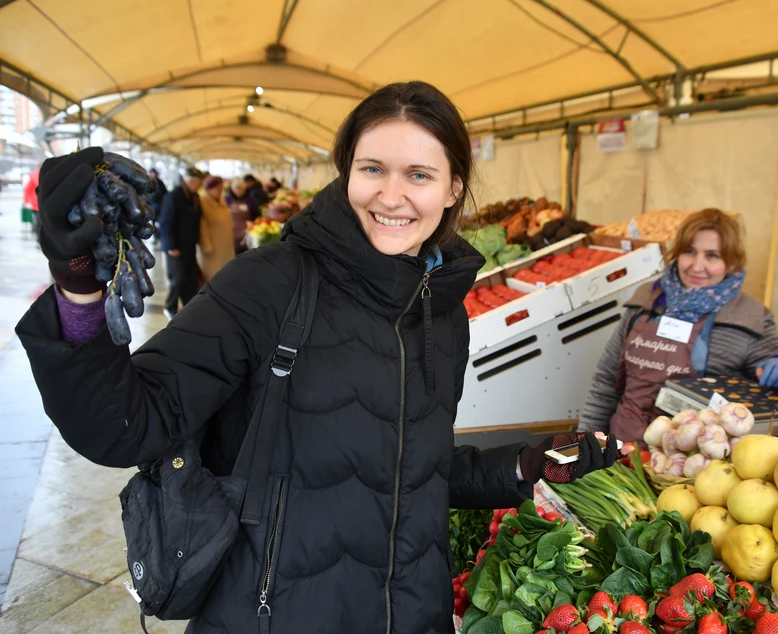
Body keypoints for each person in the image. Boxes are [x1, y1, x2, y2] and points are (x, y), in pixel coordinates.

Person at [15, 81, 626, 634]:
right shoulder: (269, 285)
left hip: (413, 614)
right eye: (372, 169)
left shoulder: (442, 311)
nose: (392, 195)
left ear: (453, 188)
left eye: (419, 174)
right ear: (345, 173)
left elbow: (407, 471)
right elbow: (126, 426)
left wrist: (519, 468)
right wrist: (78, 292)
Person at [578, 208, 778, 443]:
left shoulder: (749, 314)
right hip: (622, 447)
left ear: (731, 262)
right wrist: (583, 443)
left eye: (712, 255)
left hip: (692, 463)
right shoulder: (646, 299)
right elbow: (606, 381)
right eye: (689, 252)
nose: (697, 265)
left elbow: (776, 384)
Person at [159, 167, 203, 319]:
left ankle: (189, 307)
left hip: (189, 246)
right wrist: (170, 245)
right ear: (189, 181)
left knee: (190, 279)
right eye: (196, 183)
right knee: (177, 278)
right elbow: (165, 222)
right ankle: (169, 307)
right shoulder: (174, 196)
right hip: (175, 247)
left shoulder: (194, 197)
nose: (198, 186)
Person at [197, 176, 236, 281]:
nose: (220, 190)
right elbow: (202, 226)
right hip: (212, 249)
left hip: (225, 246)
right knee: (212, 276)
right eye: (217, 188)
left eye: (221, 187)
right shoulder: (203, 201)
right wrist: (206, 246)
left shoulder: (220, 200)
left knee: (225, 274)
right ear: (209, 188)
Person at [224, 178, 252, 254]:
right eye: (236, 189)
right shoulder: (227, 200)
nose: (239, 191)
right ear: (232, 189)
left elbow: (255, 214)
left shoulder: (249, 200)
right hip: (230, 231)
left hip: (246, 231)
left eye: (241, 189)